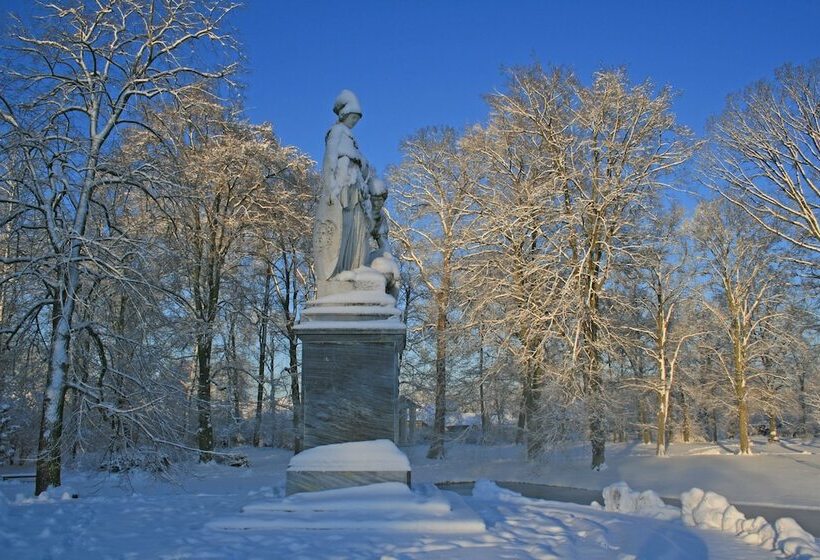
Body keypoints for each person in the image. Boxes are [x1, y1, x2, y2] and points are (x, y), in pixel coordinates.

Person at [314, 90, 372, 283]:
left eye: (357, 118)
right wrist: (330, 187)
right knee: (343, 228)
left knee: (355, 230)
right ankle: (339, 271)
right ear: (343, 114)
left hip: (354, 189)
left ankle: (350, 270)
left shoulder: (351, 138)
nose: (355, 121)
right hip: (342, 189)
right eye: (353, 117)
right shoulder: (337, 132)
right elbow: (329, 158)